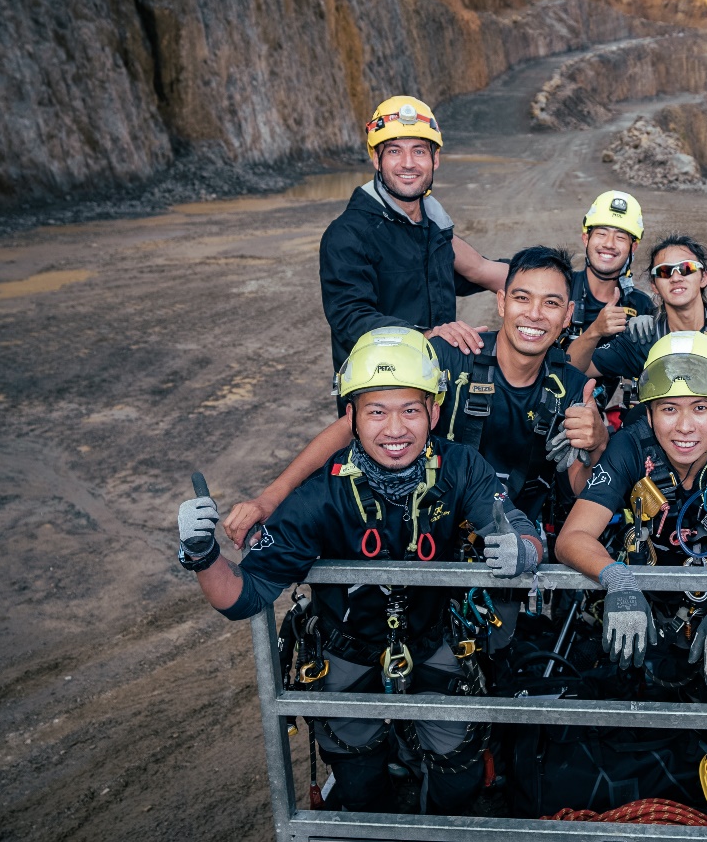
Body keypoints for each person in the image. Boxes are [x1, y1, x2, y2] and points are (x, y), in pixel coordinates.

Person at [176, 328, 542, 814]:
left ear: (434, 411)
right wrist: (201, 555)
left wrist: (525, 549)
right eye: (376, 412)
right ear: (350, 418)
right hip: (345, 647)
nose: (395, 429)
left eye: (411, 410)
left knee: (459, 770)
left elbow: (516, 524)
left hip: (435, 639)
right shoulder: (317, 498)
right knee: (358, 774)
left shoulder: (459, 467)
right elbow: (242, 597)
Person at [222, 247, 608, 546]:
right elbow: (351, 427)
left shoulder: (570, 387)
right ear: (502, 301)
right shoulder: (452, 355)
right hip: (420, 534)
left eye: (551, 303)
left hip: (513, 544)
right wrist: (269, 500)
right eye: (523, 298)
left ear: (569, 313)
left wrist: (596, 444)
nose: (535, 314)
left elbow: (578, 487)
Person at [554, 332, 707, 702]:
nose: (685, 426)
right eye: (669, 409)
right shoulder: (632, 446)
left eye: (700, 408)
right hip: (647, 619)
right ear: (650, 413)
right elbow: (572, 537)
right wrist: (618, 581)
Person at [319, 95, 509, 385]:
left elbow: (478, 272)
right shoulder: (349, 234)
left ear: (435, 159)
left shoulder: (431, 228)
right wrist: (427, 336)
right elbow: (350, 318)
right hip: (381, 393)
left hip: (437, 384)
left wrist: (555, 282)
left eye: (419, 151)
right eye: (394, 151)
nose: (408, 163)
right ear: (376, 159)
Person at [573, 234, 707, 387]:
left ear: (704, 278)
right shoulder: (642, 337)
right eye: (664, 271)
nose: (676, 278)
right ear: (654, 285)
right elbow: (574, 369)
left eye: (686, 268)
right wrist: (595, 331)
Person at [562, 190, 656, 361]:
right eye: (601, 234)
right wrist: (596, 330)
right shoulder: (561, 288)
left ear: (632, 248)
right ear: (586, 239)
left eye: (620, 237)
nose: (609, 244)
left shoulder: (641, 306)